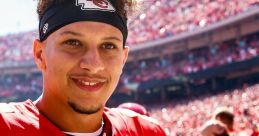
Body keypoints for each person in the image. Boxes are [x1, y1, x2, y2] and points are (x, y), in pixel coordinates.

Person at [0, 0, 166, 135]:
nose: (93, 65)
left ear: (123, 59)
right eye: (73, 43)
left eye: (108, 46)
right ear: (40, 55)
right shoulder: (5, 126)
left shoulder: (146, 131)